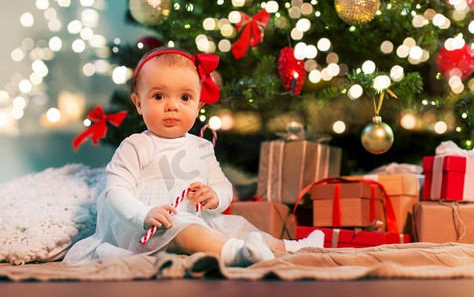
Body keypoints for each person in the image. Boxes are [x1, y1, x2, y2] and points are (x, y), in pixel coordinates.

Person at [62, 47, 324, 267]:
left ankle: (290, 246)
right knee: (186, 230)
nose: (172, 105)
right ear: (138, 103)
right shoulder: (136, 145)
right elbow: (115, 192)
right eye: (158, 96)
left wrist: (214, 196)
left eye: (185, 97)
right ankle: (237, 255)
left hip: (198, 218)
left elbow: (223, 187)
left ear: (199, 105)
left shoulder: (201, 147)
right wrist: (144, 214)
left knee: (241, 228)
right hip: (148, 227)